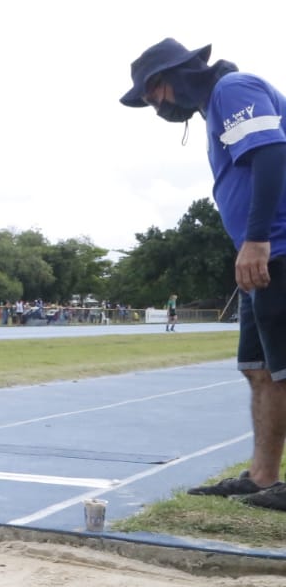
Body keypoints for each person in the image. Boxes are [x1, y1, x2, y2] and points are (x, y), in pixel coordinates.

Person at [122, 38, 286, 511]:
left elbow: (273, 155)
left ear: (172, 76)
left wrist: (257, 239)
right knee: (259, 371)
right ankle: (262, 478)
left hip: (277, 247)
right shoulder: (217, 107)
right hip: (258, 254)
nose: (155, 106)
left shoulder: (233, 89)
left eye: (153, 93)